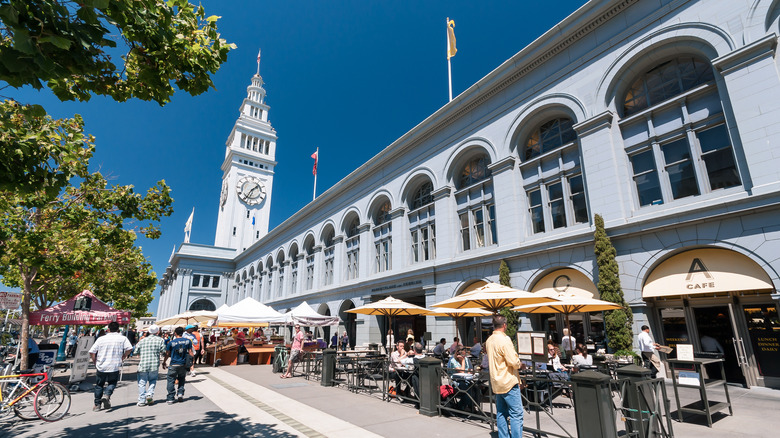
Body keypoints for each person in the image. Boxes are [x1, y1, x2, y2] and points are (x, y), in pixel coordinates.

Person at [486, 315, 525, 438]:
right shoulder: (505, 340)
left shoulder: (489, 340)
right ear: (504, 325)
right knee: (516, 414)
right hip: (508, 381)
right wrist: (520, 364)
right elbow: (513, 362)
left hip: (496, 382)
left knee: (501, 413)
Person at [88, 321, 133, 411]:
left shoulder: (101, 339)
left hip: (102, 365)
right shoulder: (122, 338)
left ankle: (97, 405)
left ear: (108, 329)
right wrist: (124, 355)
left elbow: (92, 351)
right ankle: (107, 394)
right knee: (112, 383)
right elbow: (129, 348)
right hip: (114, 365)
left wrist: (94, 360)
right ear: (118, 329)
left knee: (99, 385)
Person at [133, 324, 166, 406]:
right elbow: (163, 351)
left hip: (143, 364)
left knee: (142, 382)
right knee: (153, 380)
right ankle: (149, 394)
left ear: (148, 331)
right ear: (157, 332)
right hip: (154, 364)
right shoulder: (160, 340)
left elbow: (135, 352)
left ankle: (141, 400)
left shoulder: (142, 340)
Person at [163, 326, 193, 404]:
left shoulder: (171, 342)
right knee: (182, 379)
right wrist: (191, 363)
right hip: (183, 364)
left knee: (170, 380)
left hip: (173, 364)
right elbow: (190, 352)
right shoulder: (188, 341)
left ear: (175, 333)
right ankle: (180, 393)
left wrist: (164, 362)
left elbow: (167, 353)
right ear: (182, 333)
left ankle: (170, 398)